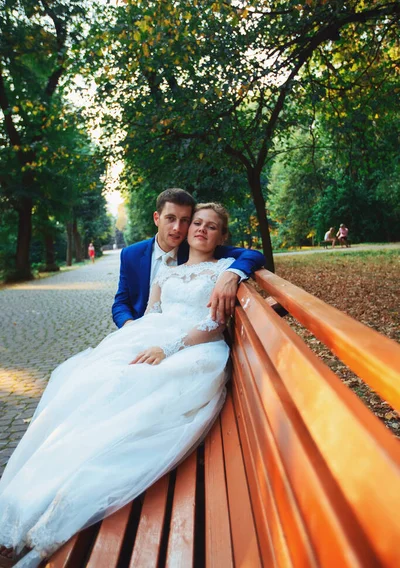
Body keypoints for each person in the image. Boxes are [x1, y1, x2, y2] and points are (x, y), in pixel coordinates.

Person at [0, 203, 256, 568]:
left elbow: (214, 323)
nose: (199, 229)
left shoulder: (224, 270)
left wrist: (166, 348)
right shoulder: (166, 273)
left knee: (133, 399)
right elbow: (150, 316)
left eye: (210, 226)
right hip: (153, 338)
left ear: (222, 236)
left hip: (193, 348)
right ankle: (26, 505)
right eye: (195, 222)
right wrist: (129, 343)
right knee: (87, 381)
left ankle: (54, 522)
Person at [112, 188, 265, 327]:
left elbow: (252, 255)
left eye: (184, 220)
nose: (177, 228)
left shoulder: (197, 249)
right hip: (143, 329)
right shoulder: (130, 254)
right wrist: (130, 328)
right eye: (170, 218)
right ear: (156, 218)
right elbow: (121, 303)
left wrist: (231, 274)